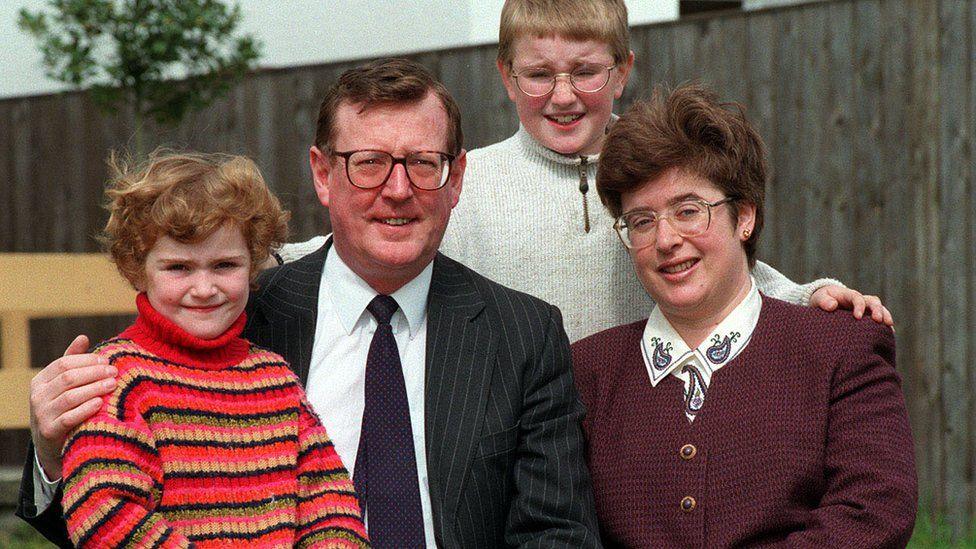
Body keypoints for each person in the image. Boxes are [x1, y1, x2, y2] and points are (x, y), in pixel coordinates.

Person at [20, 59, 599, 548]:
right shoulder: (236, 317)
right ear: (323, 174)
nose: (397, 190)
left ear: (455, 178)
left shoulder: (522, 335)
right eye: (368, 163)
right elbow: (108, 511)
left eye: (423, 164)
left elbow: (556, 533)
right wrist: (52, 455)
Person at [282, 0, 892, 342]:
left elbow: (725, 267)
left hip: (640, 425)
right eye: (540, 74)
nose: (564, 95)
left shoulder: (657, 177)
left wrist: (809, 295)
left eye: (586, 71)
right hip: (521, 440)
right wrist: (250, 258)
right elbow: (353, 243)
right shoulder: (463, 184)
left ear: (622, 71)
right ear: (506, 76)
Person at [572, 84, 917, 547]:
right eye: (642, 221)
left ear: (745, 216)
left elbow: (874, 512)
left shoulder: (840, 348)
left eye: (689, 210)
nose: (666, 239)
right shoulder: (587, 371)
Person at [59, 151, 368, 547]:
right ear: (138, 268)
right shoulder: (116, 378)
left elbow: (329, 506)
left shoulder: (275, 380)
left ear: (253, 262)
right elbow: (105, 512)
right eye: (179, 268)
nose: (204, 289)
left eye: (224, 265)